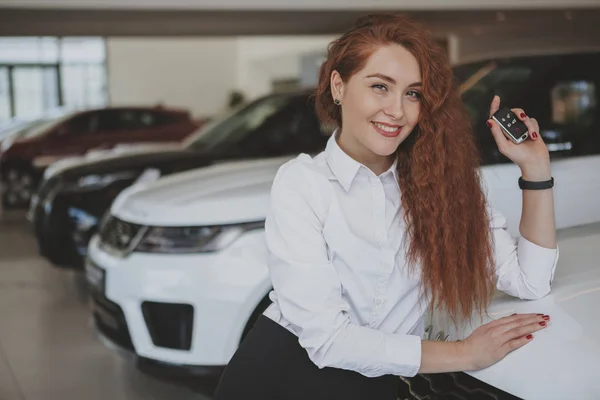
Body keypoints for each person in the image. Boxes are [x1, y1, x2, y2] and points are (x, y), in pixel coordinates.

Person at [214, 13, 559, 400]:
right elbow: (327, 340)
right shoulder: (302, 183)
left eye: (412, 93)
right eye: (380, 87)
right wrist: (465, 354)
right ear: (339, 86)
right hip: (281, 377)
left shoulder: (446, 185)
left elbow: (530, 280)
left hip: (377, 384)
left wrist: (535, 168)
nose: (397, 110)